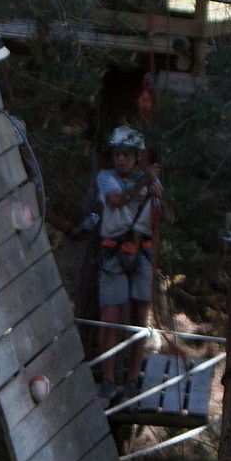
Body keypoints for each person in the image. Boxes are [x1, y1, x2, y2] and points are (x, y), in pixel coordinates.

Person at [81, 125, 161, 405]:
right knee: (110, 320)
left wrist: (157, 192)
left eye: (127, 154)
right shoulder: (106, 178)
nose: (121, 160)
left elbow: (166, 215)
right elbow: (116, 200)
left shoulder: (149, 181)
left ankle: (132, 378)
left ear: (136, 156)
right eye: (117, 154)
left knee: (139, 320)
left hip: (142, 252)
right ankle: (109, 380)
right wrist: (144, 185)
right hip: (113, 253)